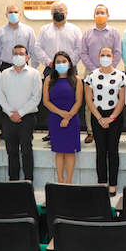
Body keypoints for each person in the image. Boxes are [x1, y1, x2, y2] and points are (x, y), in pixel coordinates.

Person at [85, 47, 126, 195]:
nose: (105, 57)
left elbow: (122, 100)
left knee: (113, 150)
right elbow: (89, 100)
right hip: (97, 116)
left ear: (113, 57)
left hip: (115, 116)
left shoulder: (121, 76)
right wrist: (100, 118)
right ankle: (102, 182)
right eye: (102, 54)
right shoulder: (91, 76)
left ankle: (113, 184)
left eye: (108, 55)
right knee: (101, 151)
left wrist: (111, 118)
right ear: (98, 56)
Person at [0, 45, 42, 181]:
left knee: (26, 150)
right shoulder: (4, 74)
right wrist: (10, 113)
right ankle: (13, 181)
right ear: (12, 56)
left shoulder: (34, 74)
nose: (18, 56)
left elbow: (36, 97)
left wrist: (20, 113)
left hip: (27, 118)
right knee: (11, 151)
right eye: (15, 53)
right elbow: (0, 96)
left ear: (27, 57)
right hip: (8, 117)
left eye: (21, 54)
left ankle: (28, 181)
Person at [79, 4, 122, 144]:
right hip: (91, 71)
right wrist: (94, 69)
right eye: (97, 12)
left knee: (112, 99)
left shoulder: (114, 33)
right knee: (89, 103)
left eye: (102, 12)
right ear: (93, 16)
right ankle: (91, 131)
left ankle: (110, 126)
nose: (100, 15)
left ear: (108, 16)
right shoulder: (87, 33)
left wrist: (109, 68)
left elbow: (117, 52)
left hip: (111, 72)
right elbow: (83, 53)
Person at [43, 51, 83, 185]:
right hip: (55, 119)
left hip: (72, 120)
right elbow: (46, 101)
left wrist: (68, 117)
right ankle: (60, 180)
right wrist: (61, 113)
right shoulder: (49, 79)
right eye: (58, 62)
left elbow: (78, 101)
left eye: (64, 61)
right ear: (54, 65)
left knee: (70, 151)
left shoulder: (77, 80)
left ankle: (69, 181)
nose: (61, 64)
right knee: (59, 151)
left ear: (69, 64)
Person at [34, 1, 82, 78]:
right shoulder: (44, 30)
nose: (58, 12)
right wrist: (49, 62)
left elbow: (79, 48)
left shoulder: (75, 30)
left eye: (61, 10)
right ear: (51, 14)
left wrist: (69, 63)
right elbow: (38, 48)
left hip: (70, 69)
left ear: (66, 13)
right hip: (50, 69)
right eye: (55, 11)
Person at [0, 4, 38, 71]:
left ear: (20, 14)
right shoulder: (1, 31)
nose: (13, 14)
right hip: (6, 66)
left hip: (23, 66)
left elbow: (33, 51)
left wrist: (33, 69)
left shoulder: (28, 30)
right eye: (10, 12)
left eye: (16, 12)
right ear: (6, 15)